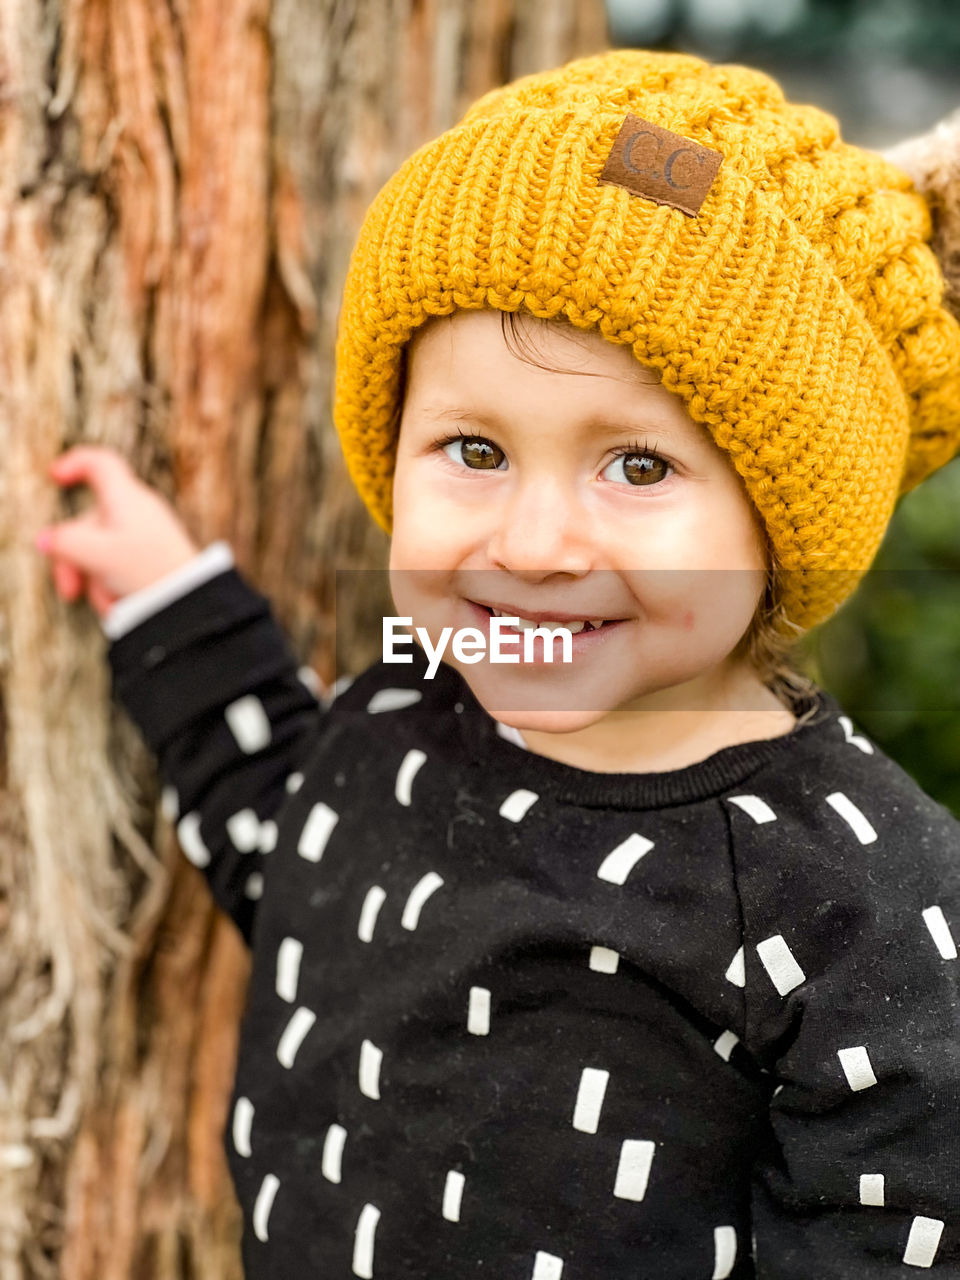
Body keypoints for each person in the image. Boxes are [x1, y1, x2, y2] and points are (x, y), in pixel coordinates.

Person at [34, 48, 960, 1280]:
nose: (530, 545)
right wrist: (169, 599)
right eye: (473, 448)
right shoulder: (404, 719)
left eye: (637, 467)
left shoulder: (862, 901)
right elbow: (294, 848)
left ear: (785, 520)